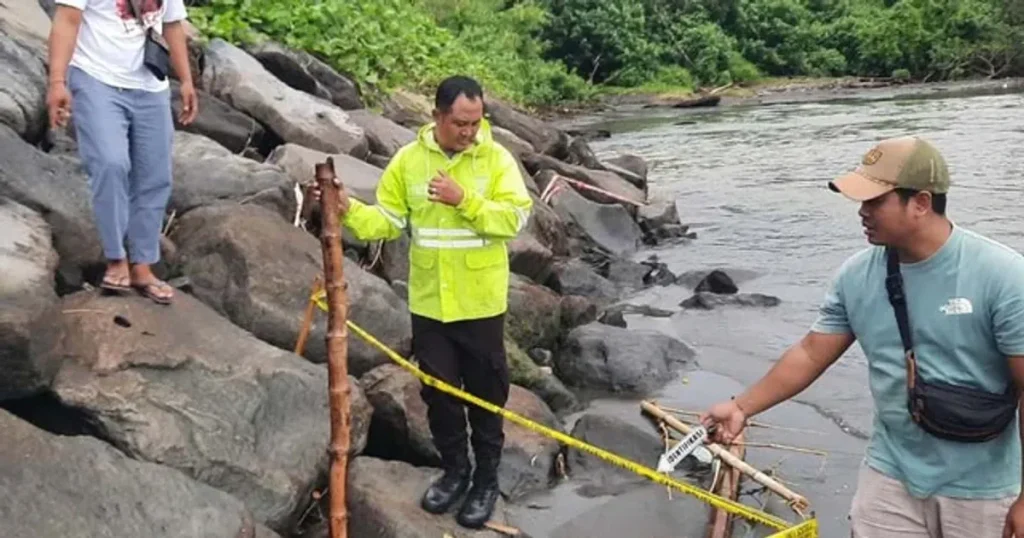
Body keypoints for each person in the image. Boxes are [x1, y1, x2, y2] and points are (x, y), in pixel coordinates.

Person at [700, 135, 1024, 538]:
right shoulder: (857, 276)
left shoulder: (1003, 276)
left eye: (875, 201)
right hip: (891, 473)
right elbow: (811, 351)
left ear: (921, 203)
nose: (862, 212)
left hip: (983, 488)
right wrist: (741, 407)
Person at [322, 75, 532, 528]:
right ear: (437, 116)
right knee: (438, 395)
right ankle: (456, 471)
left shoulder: (496, 160)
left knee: (487, 396)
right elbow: (388, 221)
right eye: (460, 122)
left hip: (480, 304)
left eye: (476, 123)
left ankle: (486, 481)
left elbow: (513, 220)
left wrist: (466, 201)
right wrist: (348, 210)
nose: (469, 131)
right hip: (431, 305)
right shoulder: (409, 162)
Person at [47, 0, 198, 304]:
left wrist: (186, 81)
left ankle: (142, 265)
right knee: (110, 163)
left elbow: (171, 24)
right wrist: (57, 83)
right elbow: (67, 20)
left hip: (150, 86)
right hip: (95, 78)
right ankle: (116, 258)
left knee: (155, 176)